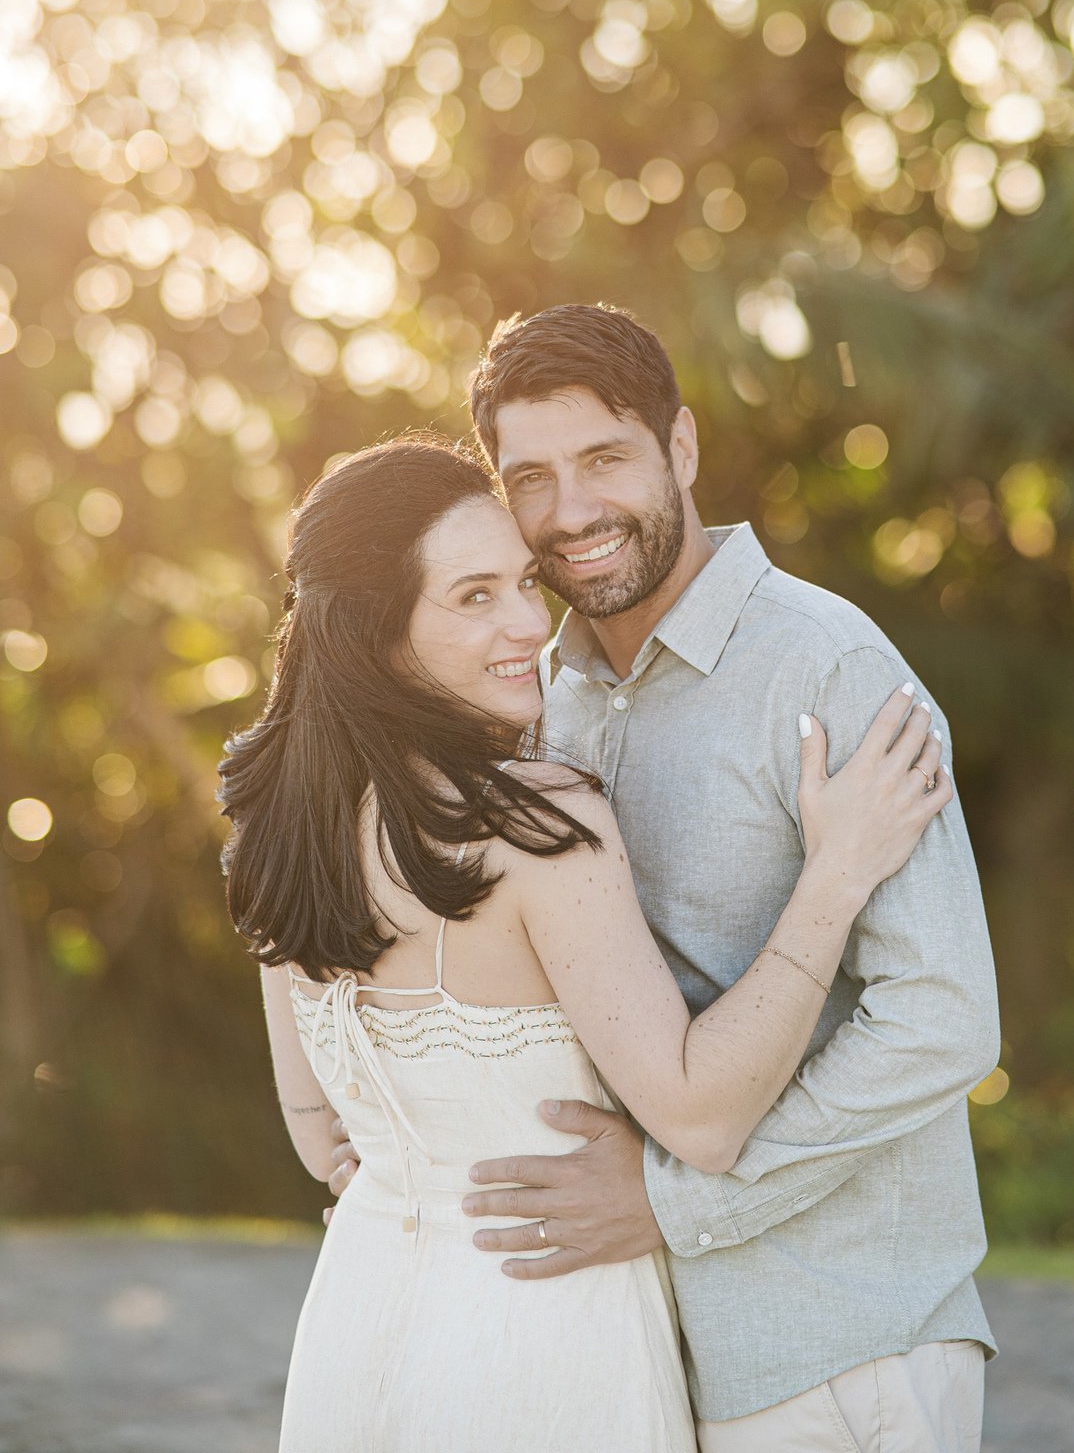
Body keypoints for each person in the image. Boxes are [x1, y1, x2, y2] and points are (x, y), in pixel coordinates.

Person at [331, 305, 1001, 1451]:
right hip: (633, 1364)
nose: (570, 511)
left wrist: (670, 1201)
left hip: (834, 1351)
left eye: (605, 459)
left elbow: (944, 1020)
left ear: (680, 449)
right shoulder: (533, 695)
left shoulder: (827, 669)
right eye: (530, 478)